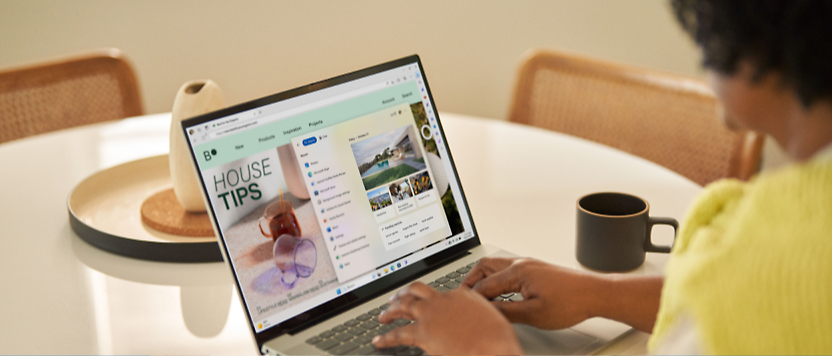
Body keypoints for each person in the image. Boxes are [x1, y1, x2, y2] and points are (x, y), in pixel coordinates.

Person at [371, 0, 832, 354]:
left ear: (756, 51)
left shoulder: (768, 261)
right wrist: (597, 293)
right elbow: (742, 306)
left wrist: (486, 347)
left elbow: (748, 297)